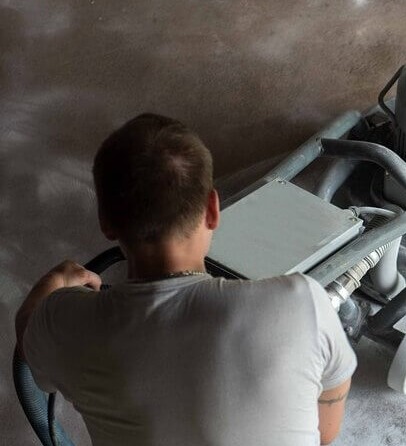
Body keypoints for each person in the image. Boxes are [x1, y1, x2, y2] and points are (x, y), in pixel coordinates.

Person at [14, 113, 356, 446]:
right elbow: (325, 432)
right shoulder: (301, 304)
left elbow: (27, 337)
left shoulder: (66, 325)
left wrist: (58, 276)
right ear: (212, 210)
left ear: (105, 222)